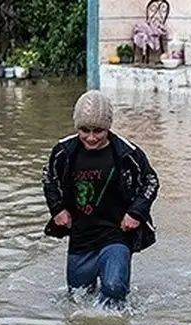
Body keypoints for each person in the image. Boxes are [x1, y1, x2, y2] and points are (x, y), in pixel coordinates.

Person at [42, 89, 160, 308]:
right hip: (81, 236)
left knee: (114, 289)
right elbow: (49, 179)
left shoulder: (128, 153)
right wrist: (57, 209)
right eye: (85, 130)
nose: (91, 137)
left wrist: (136, 212)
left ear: (108, 128)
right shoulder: (63, 152)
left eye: (98, 131)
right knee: (78, 298)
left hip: (117, 233)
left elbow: (151, 181)